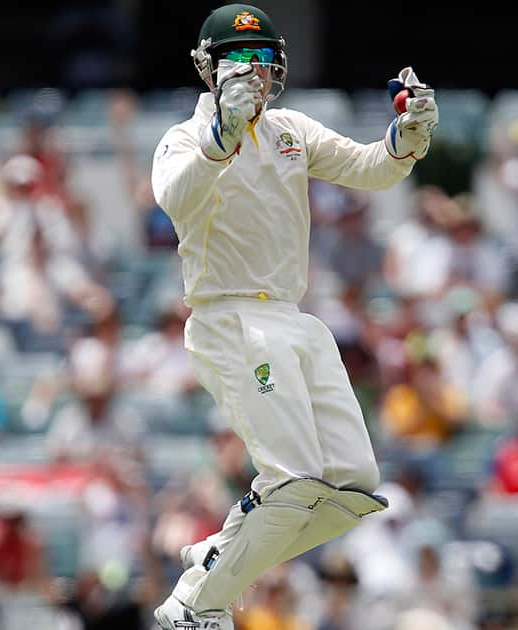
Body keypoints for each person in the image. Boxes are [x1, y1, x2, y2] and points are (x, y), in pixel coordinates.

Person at [149, 4, 439, 628]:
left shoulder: (290, 130)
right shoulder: (181, 140)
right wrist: (221, 136)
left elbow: (371, 168)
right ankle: (196, 606)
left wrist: (408, 133)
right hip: (229, 319)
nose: (254, 71)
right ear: (209, 67)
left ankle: (217, 556)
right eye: (239, 59)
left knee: (351, 487)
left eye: (263, 60)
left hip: (294, 319)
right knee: (295, 481)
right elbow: (177, 199)